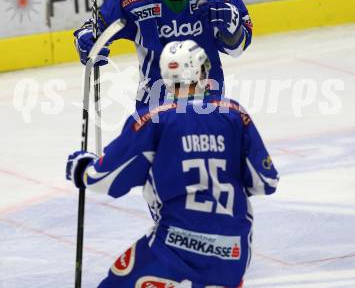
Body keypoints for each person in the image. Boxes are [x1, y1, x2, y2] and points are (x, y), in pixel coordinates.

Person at [66, 40, 279, 288]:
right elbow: (266, 182)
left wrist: (82, 168)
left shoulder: (153, 119)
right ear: (202, 70)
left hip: (175, 246)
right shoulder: (235, 114)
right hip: (233, 251)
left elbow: (105, 179)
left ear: (166, 76)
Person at [74, 0, 253, 108]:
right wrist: (87, 40)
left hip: (207, 99)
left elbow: (237, 48)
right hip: (154, 102)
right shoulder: (131, 0)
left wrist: (233, 29)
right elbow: (94, 29)